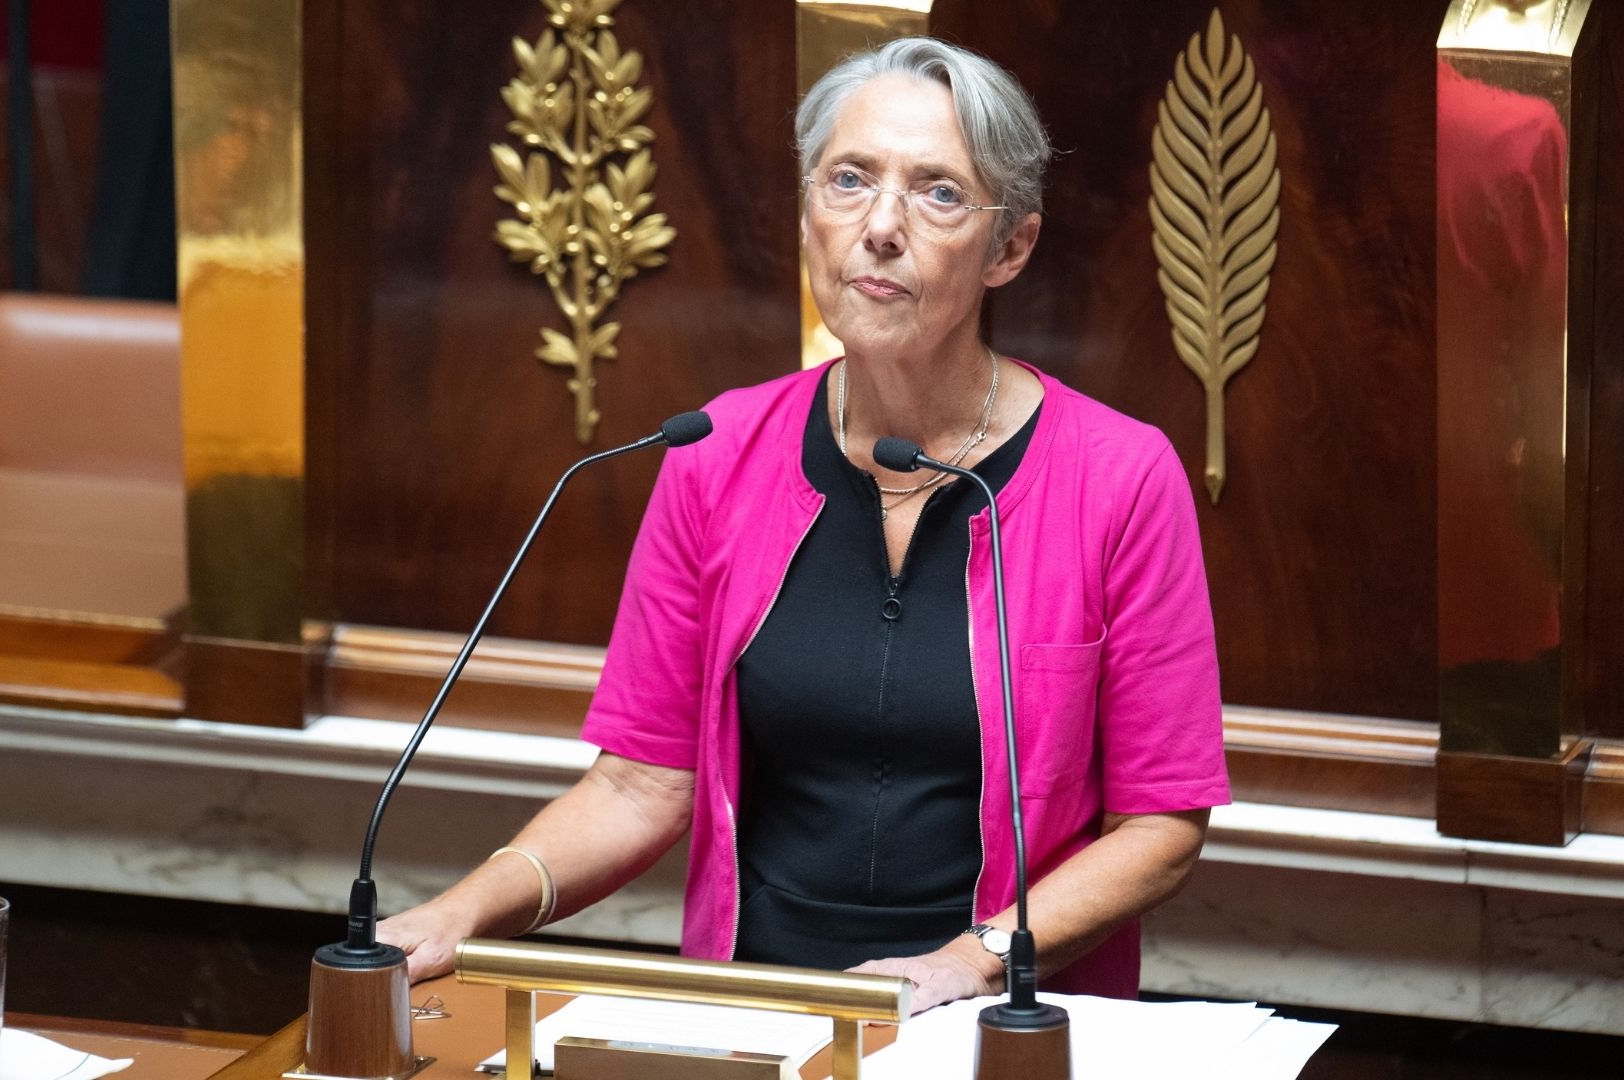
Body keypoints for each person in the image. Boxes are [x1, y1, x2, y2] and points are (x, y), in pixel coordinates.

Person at [379, 36, 1227, 1012]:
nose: (880, 227)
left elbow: (1161, 824)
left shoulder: (1118, 476)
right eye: (850, 180)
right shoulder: (716, 453)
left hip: (997, 1017)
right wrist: (461, 911)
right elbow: (634, 787)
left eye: (938, 193)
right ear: (807, 213)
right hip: (759, 1012)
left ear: (1011, 249)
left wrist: (966, 962)